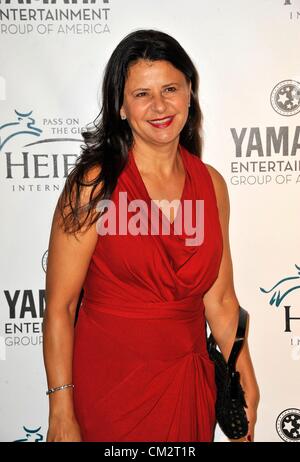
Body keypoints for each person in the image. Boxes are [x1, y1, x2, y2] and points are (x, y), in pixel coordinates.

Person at [43, 29, 259, 443]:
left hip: (189, 382)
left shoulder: (210, 184)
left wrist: (244, 378)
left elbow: (221, 298)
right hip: (110, 386)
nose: (159, 106)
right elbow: (61, 306)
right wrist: (61, 410)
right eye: (142, 94)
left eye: (171, 88)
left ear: (190, 92)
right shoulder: (95, 185)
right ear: (121, 107)